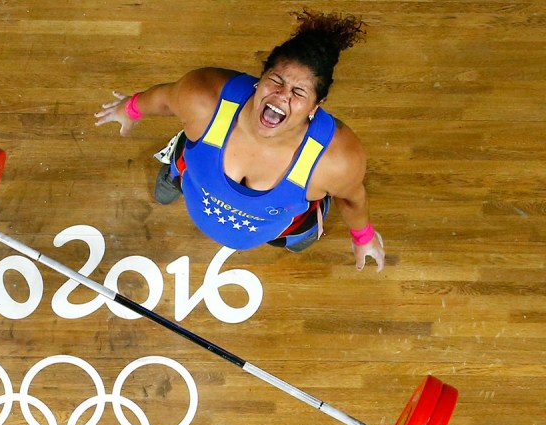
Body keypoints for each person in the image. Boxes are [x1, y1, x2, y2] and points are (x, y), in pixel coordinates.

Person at [94, 9, 385, 272]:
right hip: (194, 179)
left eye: (299, 92)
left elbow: (351, 197)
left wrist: (363, 237)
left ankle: (291, 235)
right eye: (277, 80)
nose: (282, 96)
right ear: (261, 77)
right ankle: (174, 176)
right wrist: (130, 108)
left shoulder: (336, 159)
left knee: (294, 240)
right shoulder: (204, 100)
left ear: (315, 106)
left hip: (279, 228)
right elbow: (165, 99)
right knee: (182, 165)